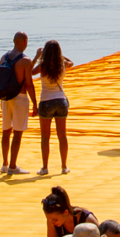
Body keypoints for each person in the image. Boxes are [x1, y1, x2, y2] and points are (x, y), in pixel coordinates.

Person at [0, 32, 36, 174]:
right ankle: (13, 166)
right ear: (25, 42)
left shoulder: (4, 57)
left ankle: (5, 164)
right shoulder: (25, 60)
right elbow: (29, 84)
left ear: (14, 41)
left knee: (6, 131)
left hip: (5, 98)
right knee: (17, 133)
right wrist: (35, 104)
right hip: (20, 98)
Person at [35, 38, 72, 174]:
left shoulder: (42, 66)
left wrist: (37, 57)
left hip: (46, 101)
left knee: (45, 137)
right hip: (60, 100)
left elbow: (31, 71)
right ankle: (64, 166)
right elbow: (72, 63)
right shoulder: (62, 64)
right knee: (62, 135)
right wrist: (61, 56)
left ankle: (45, 167)